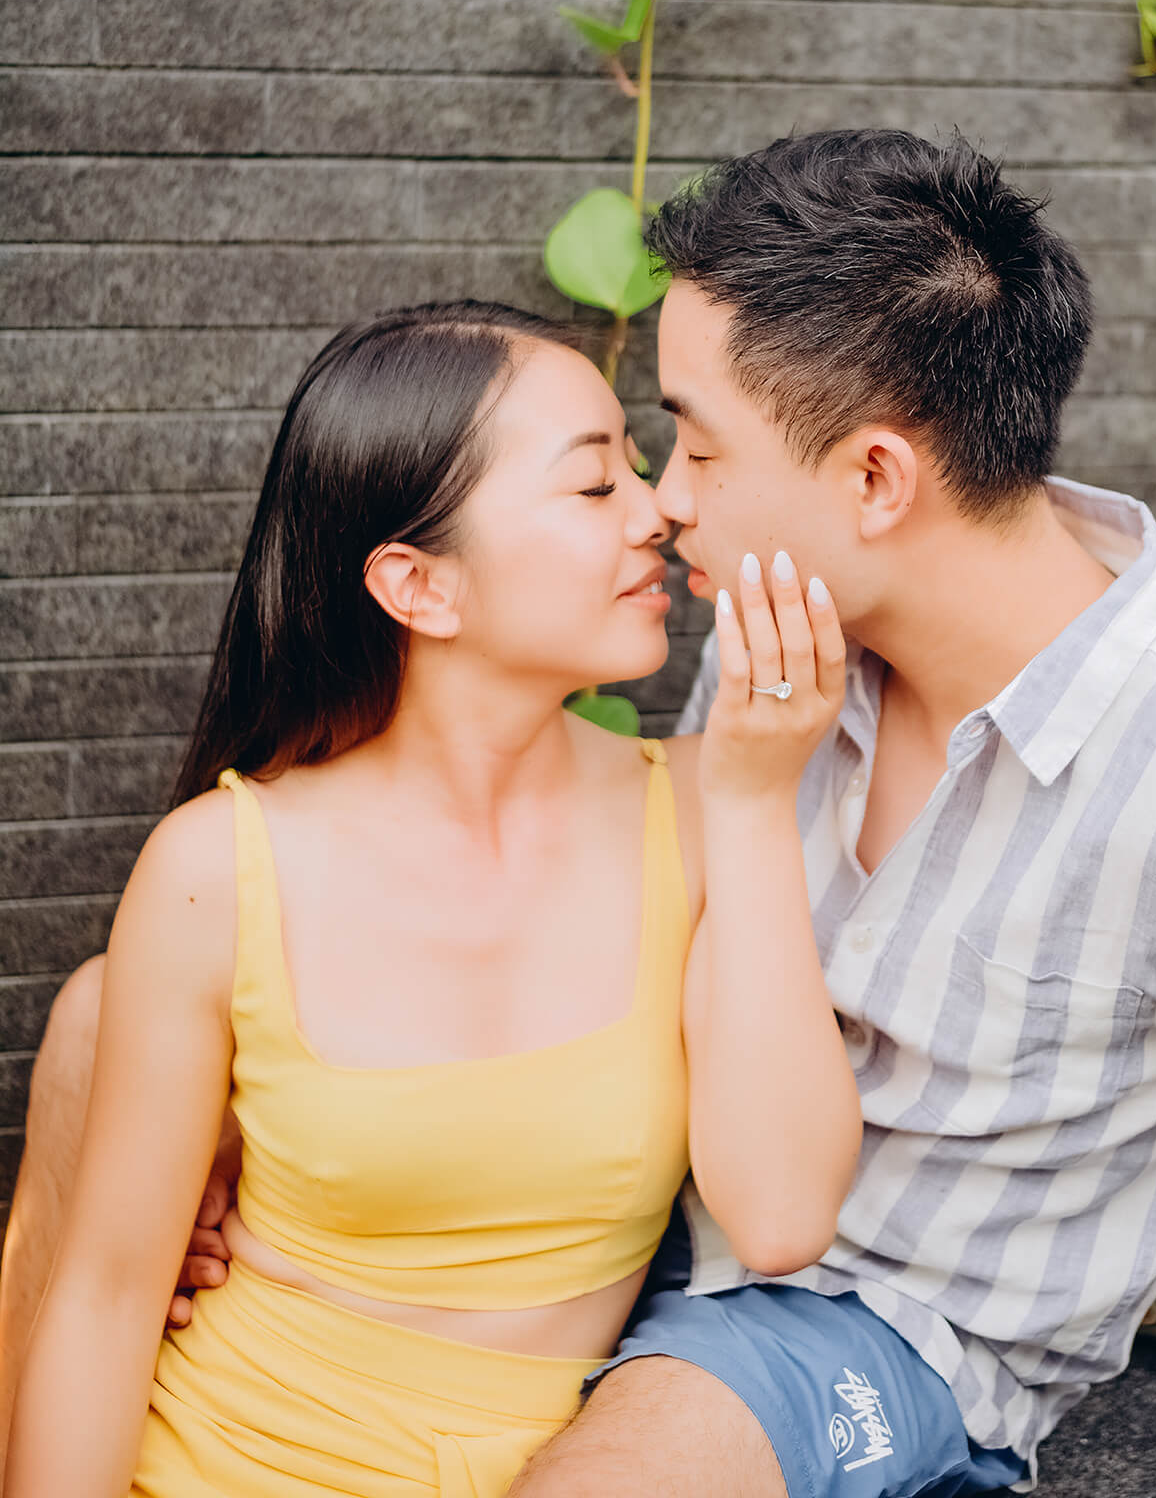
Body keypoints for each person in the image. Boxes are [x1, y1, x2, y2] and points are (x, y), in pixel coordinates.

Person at [8, 127, 1156, 1498]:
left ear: (874, 480)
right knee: (99, 1019)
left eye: (692, 446)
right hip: (638, 1230)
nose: (664, 505)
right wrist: (255, 1127)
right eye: (624, 466)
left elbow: (774, 1203)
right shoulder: (774, 634)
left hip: (859, 1323)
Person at [2, 299, 862, 1497]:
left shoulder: (709, 811)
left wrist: (760, 800)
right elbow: (101, 1301)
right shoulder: (218, 867)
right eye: (590, 483)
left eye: (639, 464)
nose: (657, 509)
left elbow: (779, 1215)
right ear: (420, 585)